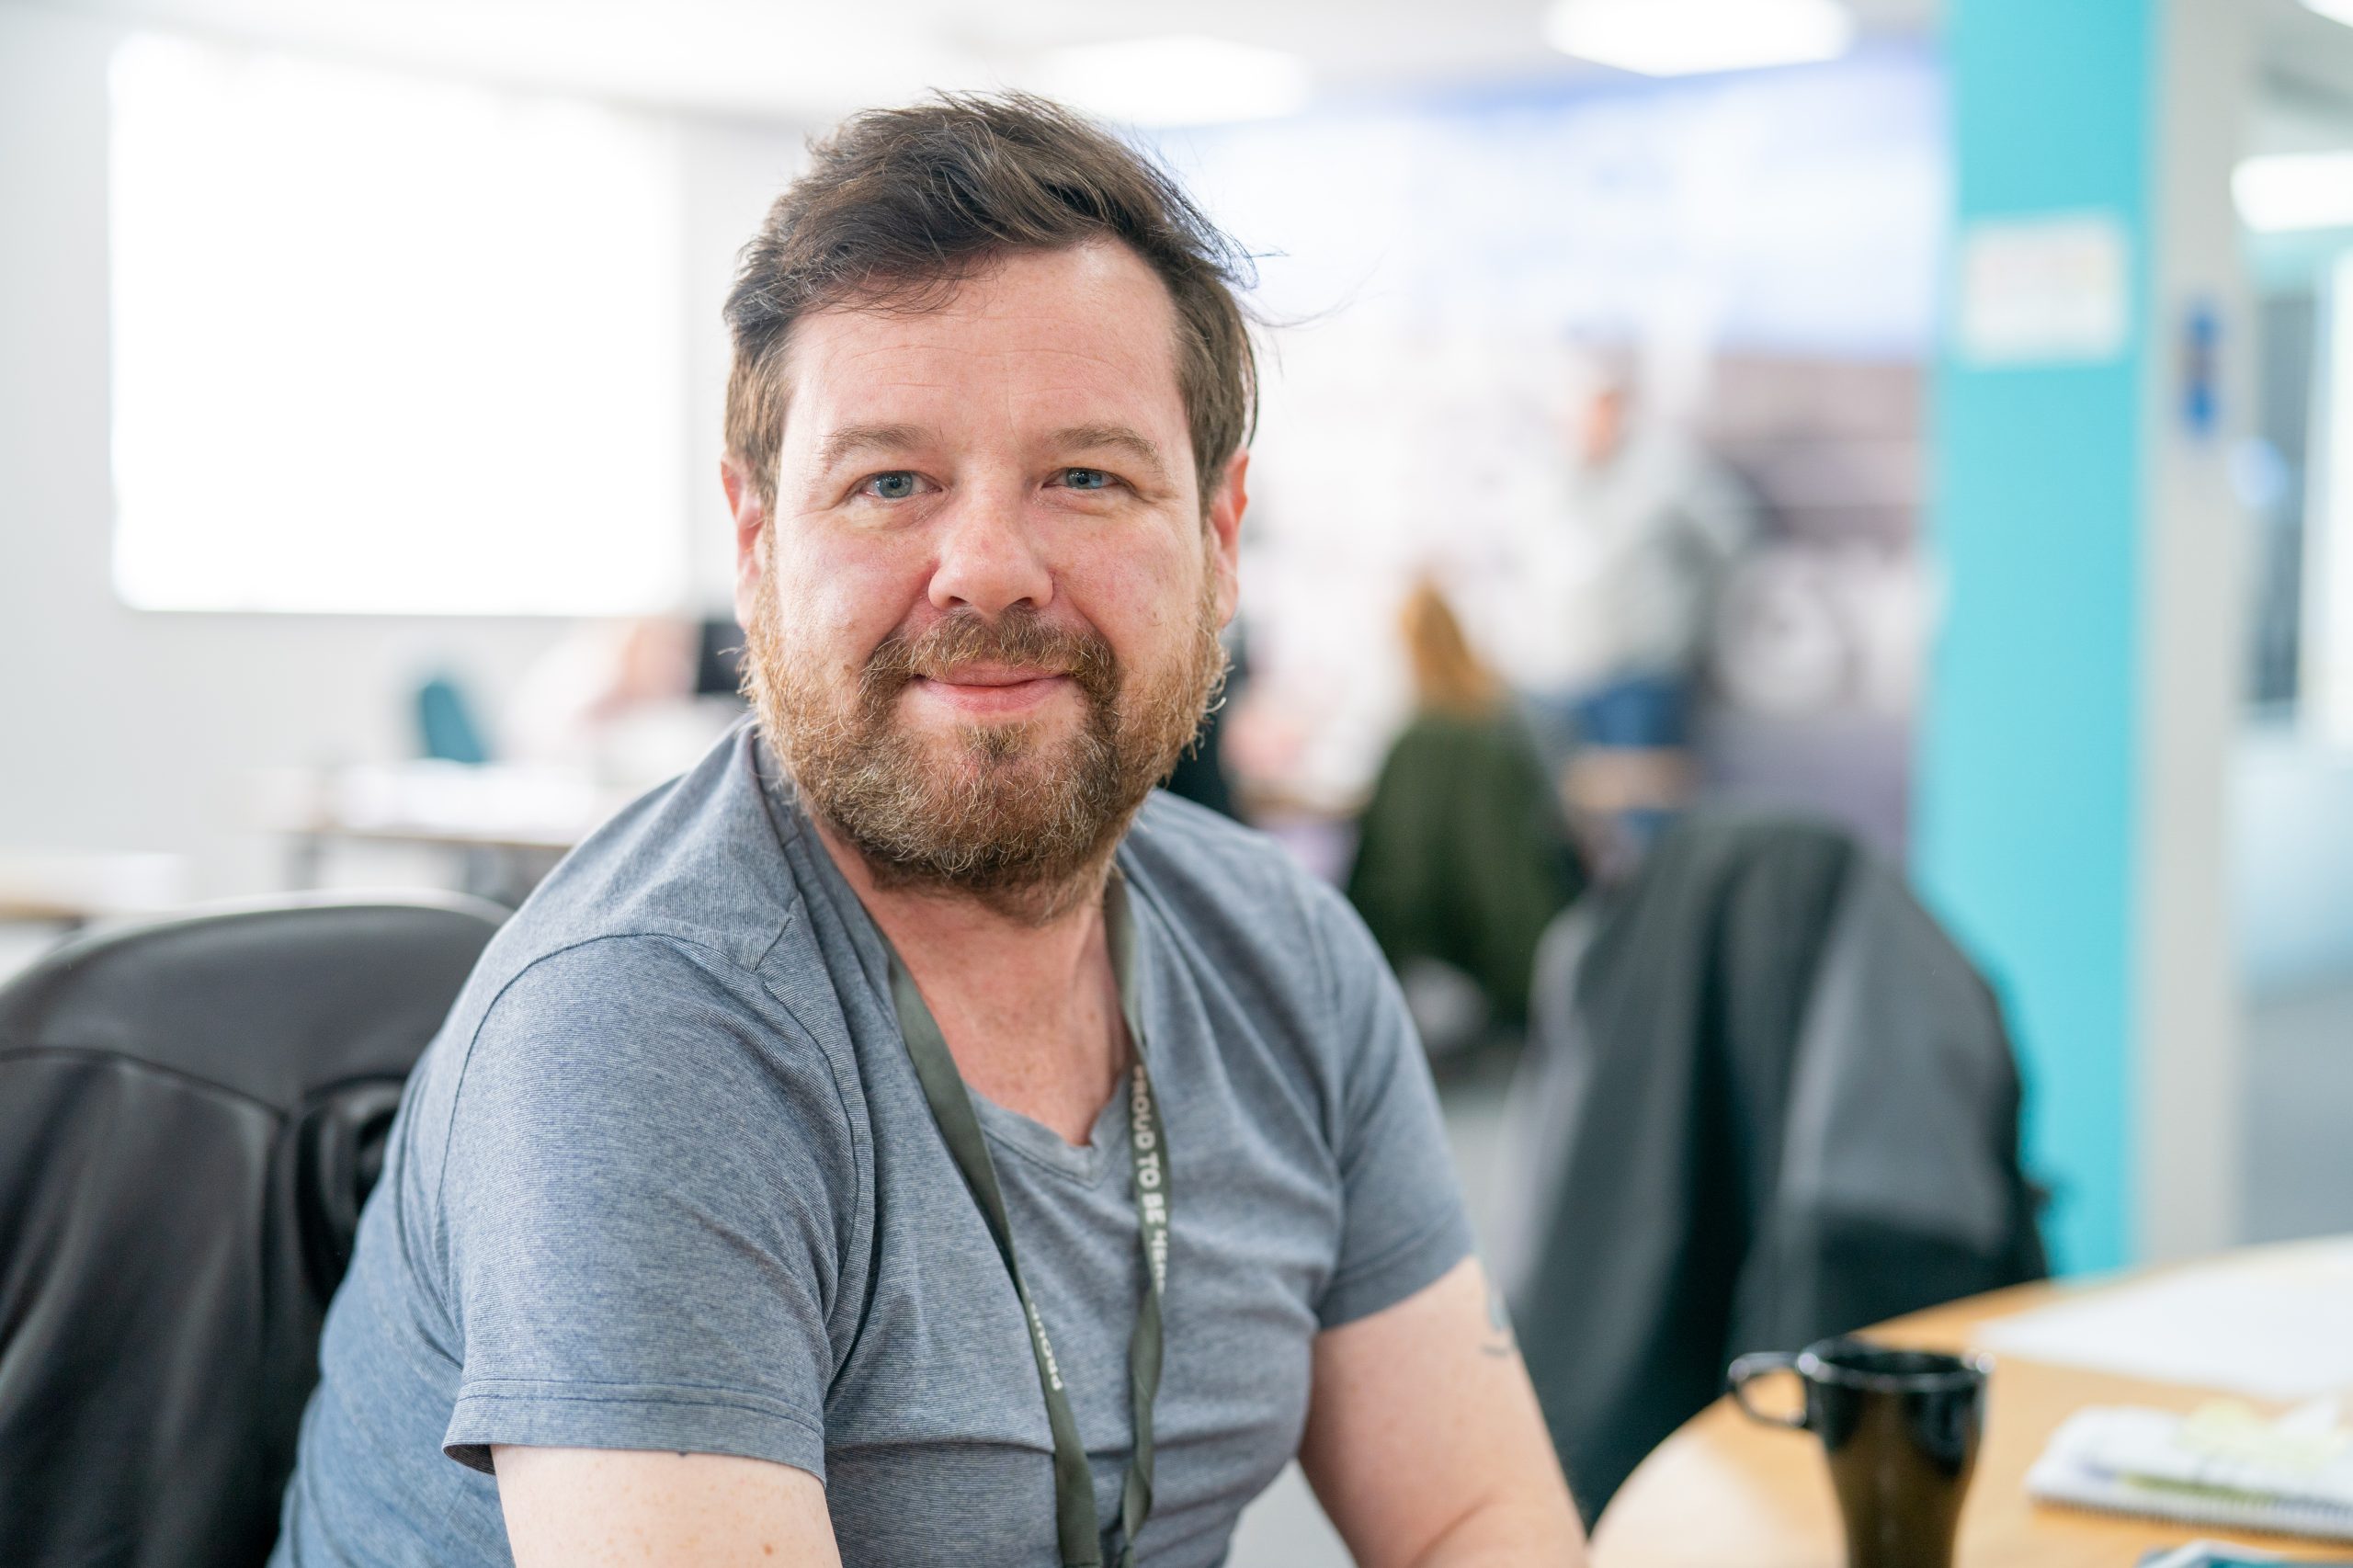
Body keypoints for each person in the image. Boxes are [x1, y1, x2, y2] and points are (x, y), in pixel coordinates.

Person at [271, 94, 1582, 1567]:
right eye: (891, 481)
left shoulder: (1293, 963)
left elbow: (1479, 1519)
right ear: (759, 539)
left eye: (1086, 476)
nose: (989, 568)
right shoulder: (639, 1029)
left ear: (1219, 537)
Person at [1347, 579, 1585, 1055]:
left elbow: (1394, 870)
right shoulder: (1513, 715)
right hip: (1524, 927)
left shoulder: (1414, 741)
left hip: (1436, 935)